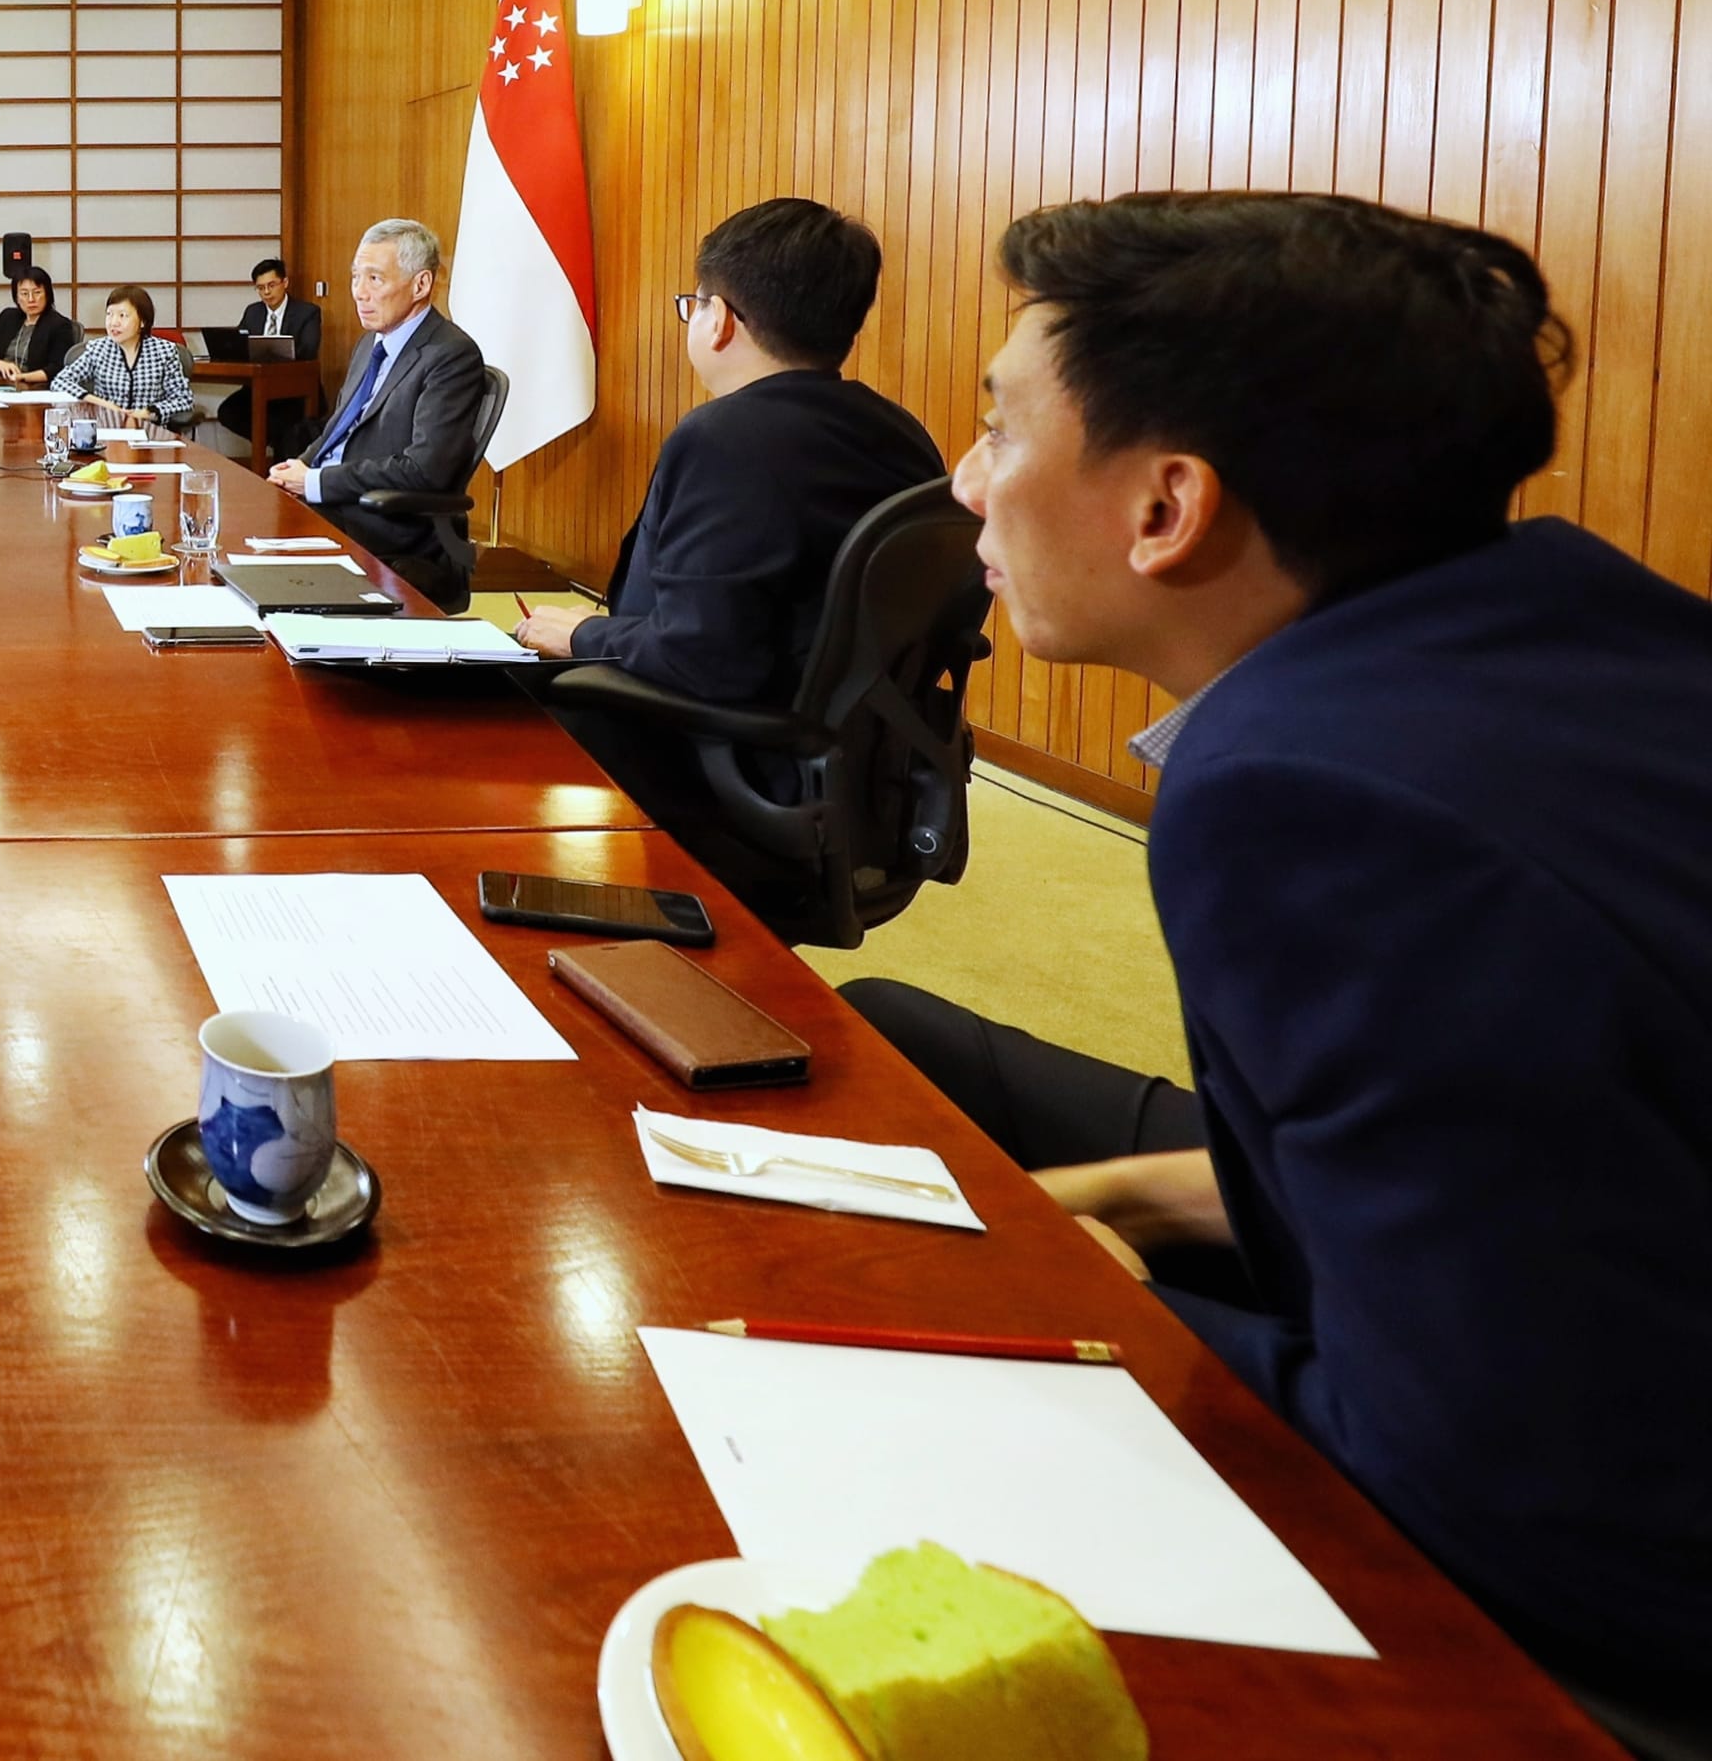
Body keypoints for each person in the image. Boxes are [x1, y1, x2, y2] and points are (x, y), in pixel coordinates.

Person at [851, 192, 1712, 1758]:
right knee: (892, 1037)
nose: (962, 482)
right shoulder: (1583, 605)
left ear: (1168, 504)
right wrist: (1146, 1191)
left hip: (1627, 1611)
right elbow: (1518, 1135)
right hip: (1591, 1246)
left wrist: (1089, 1303)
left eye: (993, 426)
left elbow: (1499, 1484)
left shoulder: (1307, 800)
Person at [514, 201, 948, 910]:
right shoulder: (902, 435)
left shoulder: (723, 440)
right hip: (861, 786)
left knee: (478, 721)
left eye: (694, 303)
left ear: (718, 319)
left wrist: (583, 632)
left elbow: (700, 660)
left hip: (722, 772)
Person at [267, 219, 490, 608]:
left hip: (386, 522)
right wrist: (296, 470)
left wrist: (318, 482)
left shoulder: (451, 356)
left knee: (259, 555)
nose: (359, 293)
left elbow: (425, 469)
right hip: (335, 501)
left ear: (420, 285)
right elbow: (337, 430)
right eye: (356, 277)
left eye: (375, 279)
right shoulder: (371, 342)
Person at [210, 254, 323, 447]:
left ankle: (279, 447)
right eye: (260, 288)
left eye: (272, 285)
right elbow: (240, 345)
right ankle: (277, 442)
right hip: (257, 386)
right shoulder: (253, 312)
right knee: (228, 412)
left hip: (293, 389)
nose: (266, 292)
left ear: (284, 282)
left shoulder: (307, 312)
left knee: (286, 423)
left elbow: (308, 351)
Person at [47, 285, 196, 428]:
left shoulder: (164, 352)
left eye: (123, 316)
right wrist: (100, 402)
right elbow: (60, 382)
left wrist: (148, 412)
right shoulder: (98, 349)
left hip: (150, 433)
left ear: (142, 321)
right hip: (106, 431)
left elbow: (183, 399)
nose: (113, 323)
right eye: (109, 314)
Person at [0, 269, 80, 385]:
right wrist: (0, 364)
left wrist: (20, 377)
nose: (31, 299)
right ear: (16, 297)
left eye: (37, 292)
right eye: (24, 294)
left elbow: (56, 369)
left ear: (48, 294)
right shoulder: (8, 317)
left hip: (34, 387)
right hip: (0, 384)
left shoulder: (59, 325)